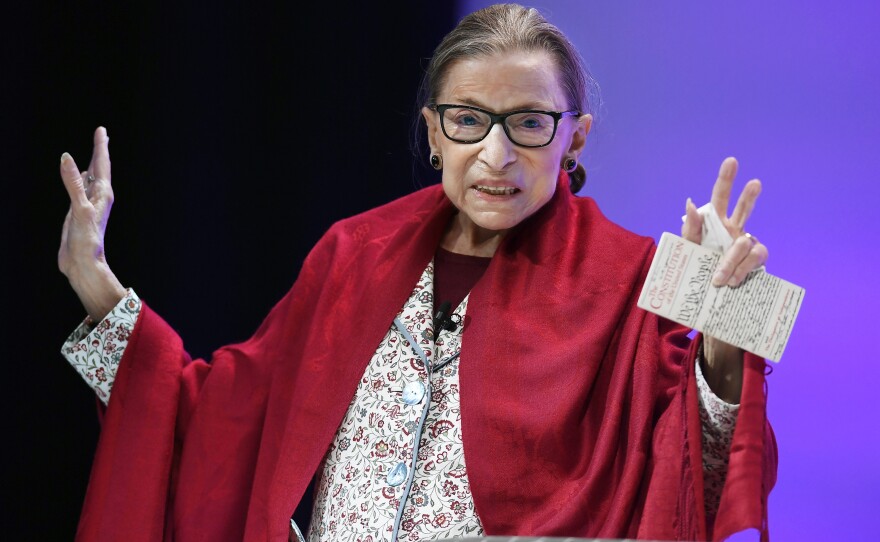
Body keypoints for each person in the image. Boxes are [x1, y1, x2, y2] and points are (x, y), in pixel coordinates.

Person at [58, 4, 776, 541]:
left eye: (528, 123)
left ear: (574, 137)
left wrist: (726, 328)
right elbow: (215, 419)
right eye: (469, 120)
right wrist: (95, 281)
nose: (496, 155)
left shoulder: (631, 276)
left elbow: (688, 474)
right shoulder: (353, 255)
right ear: (435, 132)